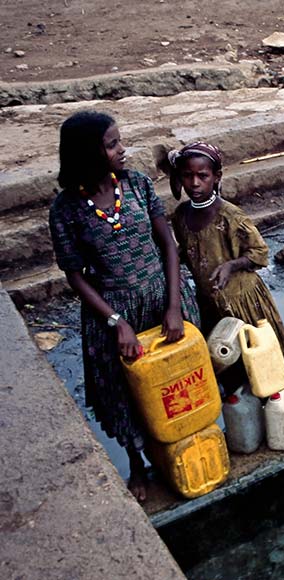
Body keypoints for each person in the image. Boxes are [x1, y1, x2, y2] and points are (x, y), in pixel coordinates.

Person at [48, 111, 200, 502]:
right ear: (89, 152)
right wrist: (117, 323)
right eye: (113, 144)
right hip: (113, 310)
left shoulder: (136, 185)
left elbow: (167, 244)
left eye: (120, 141)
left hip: (160, 295)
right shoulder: (66, 210)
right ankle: (138, 464)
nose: (123, 149)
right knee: (126, 391)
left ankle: (184, 447)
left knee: (176, 380)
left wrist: (173, 305)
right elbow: (75, 275)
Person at [168, 141, 284, 390]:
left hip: (244, 302)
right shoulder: (181, 215)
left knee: (260, 365)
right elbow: (189, 250)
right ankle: (242, 414)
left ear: (216, 177)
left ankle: (275, 411)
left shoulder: (230, 216)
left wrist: (231, 265)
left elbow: (260, 253)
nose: (195, 183)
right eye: (188, 176)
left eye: (202, 176)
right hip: (211, 303)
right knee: (226, 364)